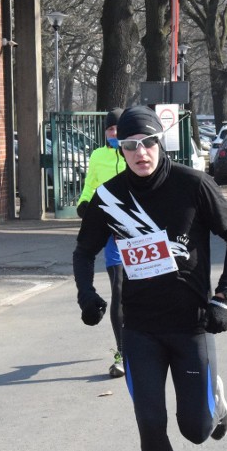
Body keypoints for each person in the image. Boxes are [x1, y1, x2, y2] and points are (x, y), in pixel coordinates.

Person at [73, 106, 227, 451]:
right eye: (131, 145)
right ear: (119, 149)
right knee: (150, 424)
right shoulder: (109, 197)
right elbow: (83, 251)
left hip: (191, 325)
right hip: (140, 329)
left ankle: (214, 405)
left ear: (161, 143)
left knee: (196, 431)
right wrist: (86, 294)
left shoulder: (193, 185)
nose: (141, 153)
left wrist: (223, 297)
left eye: (149, 143)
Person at [76, 108, 127, 378]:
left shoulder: (136, 153)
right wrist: (85, 202)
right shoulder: (98, 155)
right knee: (118, 291)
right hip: (111, 234)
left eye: (118, 129)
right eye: (110, 130)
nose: (114, 134)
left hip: (139, 237)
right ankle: (122, 352)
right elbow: (91, 184)